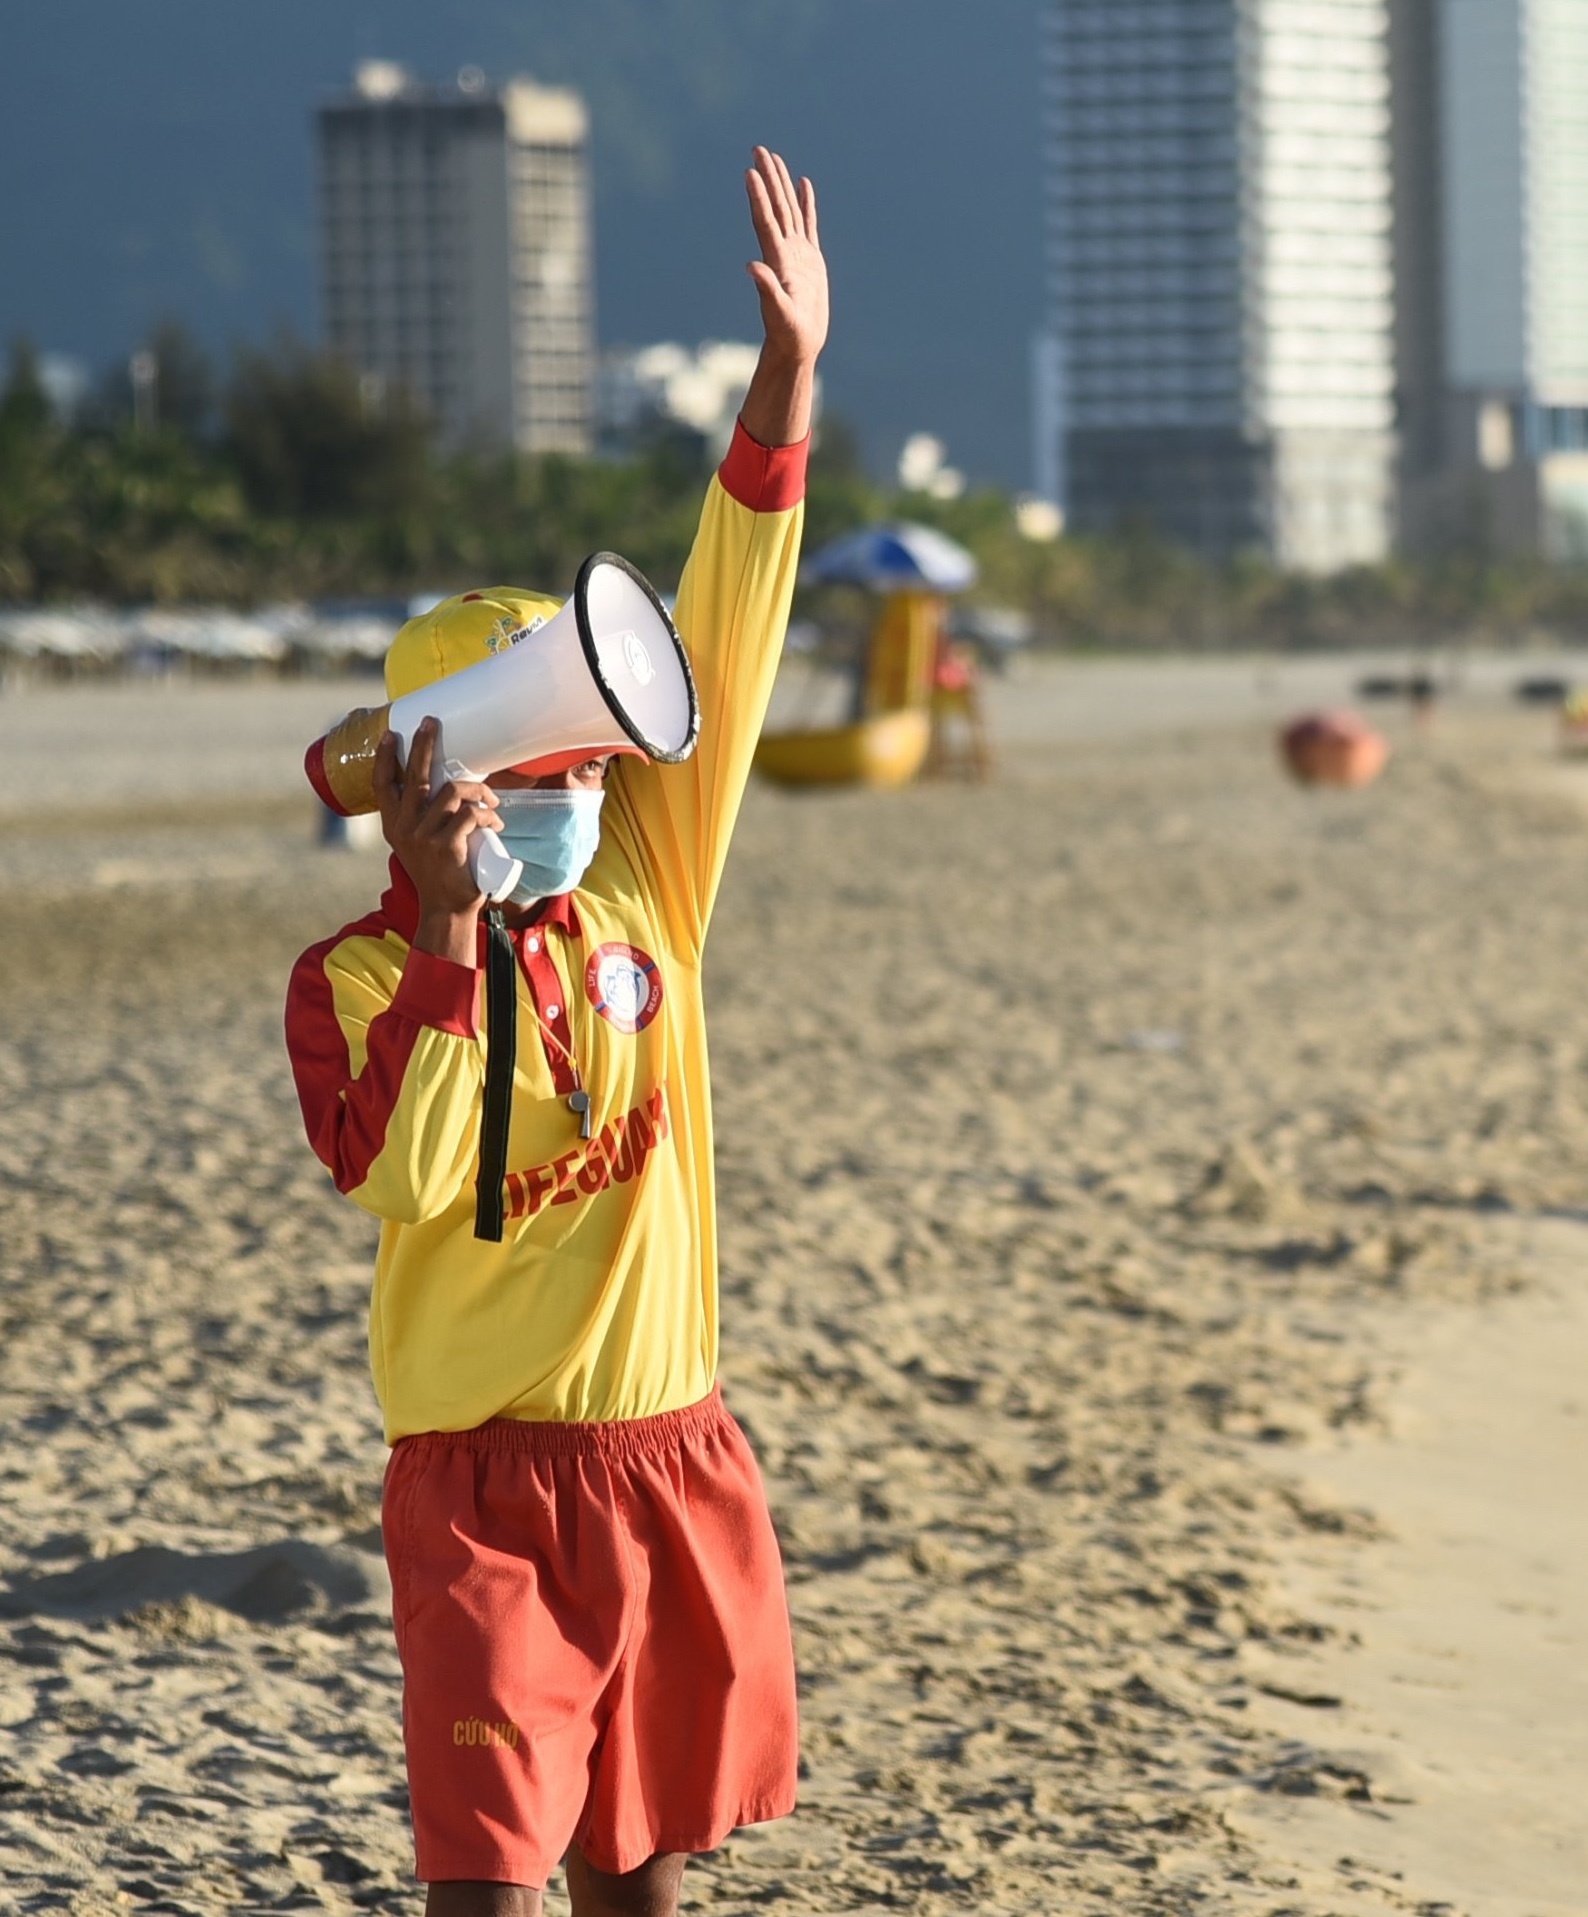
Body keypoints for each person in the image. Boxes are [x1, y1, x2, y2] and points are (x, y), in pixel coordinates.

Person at [281, 148, 829, 1915]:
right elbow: (413, 1175)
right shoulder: (354, 981)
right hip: (484, 1492)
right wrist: (447, 924)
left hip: (667, 1446)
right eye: (550, 768)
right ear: (444, 784)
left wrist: (783, 389)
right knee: (494, 1885)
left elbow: (728, 642)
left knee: (643, 1873)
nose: (586, 793)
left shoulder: (641, 896)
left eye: (596, 764)